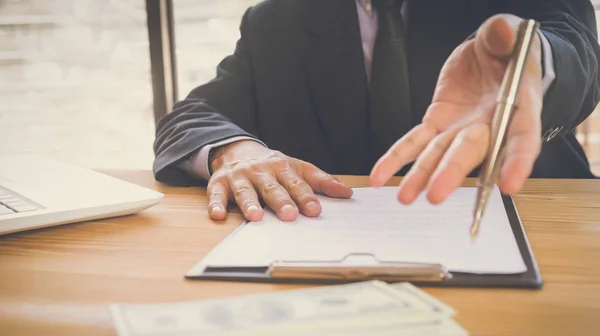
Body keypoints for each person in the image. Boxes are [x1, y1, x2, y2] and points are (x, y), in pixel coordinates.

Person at [153, 0, 600, 222]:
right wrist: (234, 151)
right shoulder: (276, 19)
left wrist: (530, 58)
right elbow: (193, 114)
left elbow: (578, 47)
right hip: (332, 247)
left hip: (531, 225)